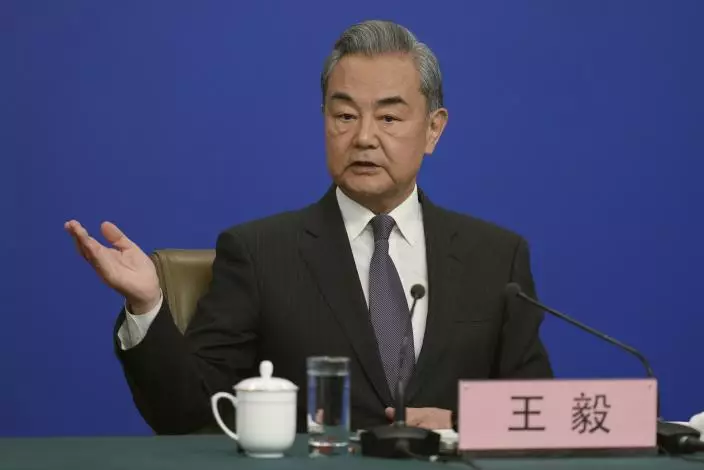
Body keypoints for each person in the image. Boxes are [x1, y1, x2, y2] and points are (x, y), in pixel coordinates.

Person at [65, 20, 552, 434]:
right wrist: (148, 305)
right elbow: (189, 414)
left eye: (388, 117)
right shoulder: (259, 253)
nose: (364, 137)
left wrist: (465, 423)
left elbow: (542, 415)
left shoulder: (497, 258)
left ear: (433, 129)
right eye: (345, 115)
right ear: (324, 120)